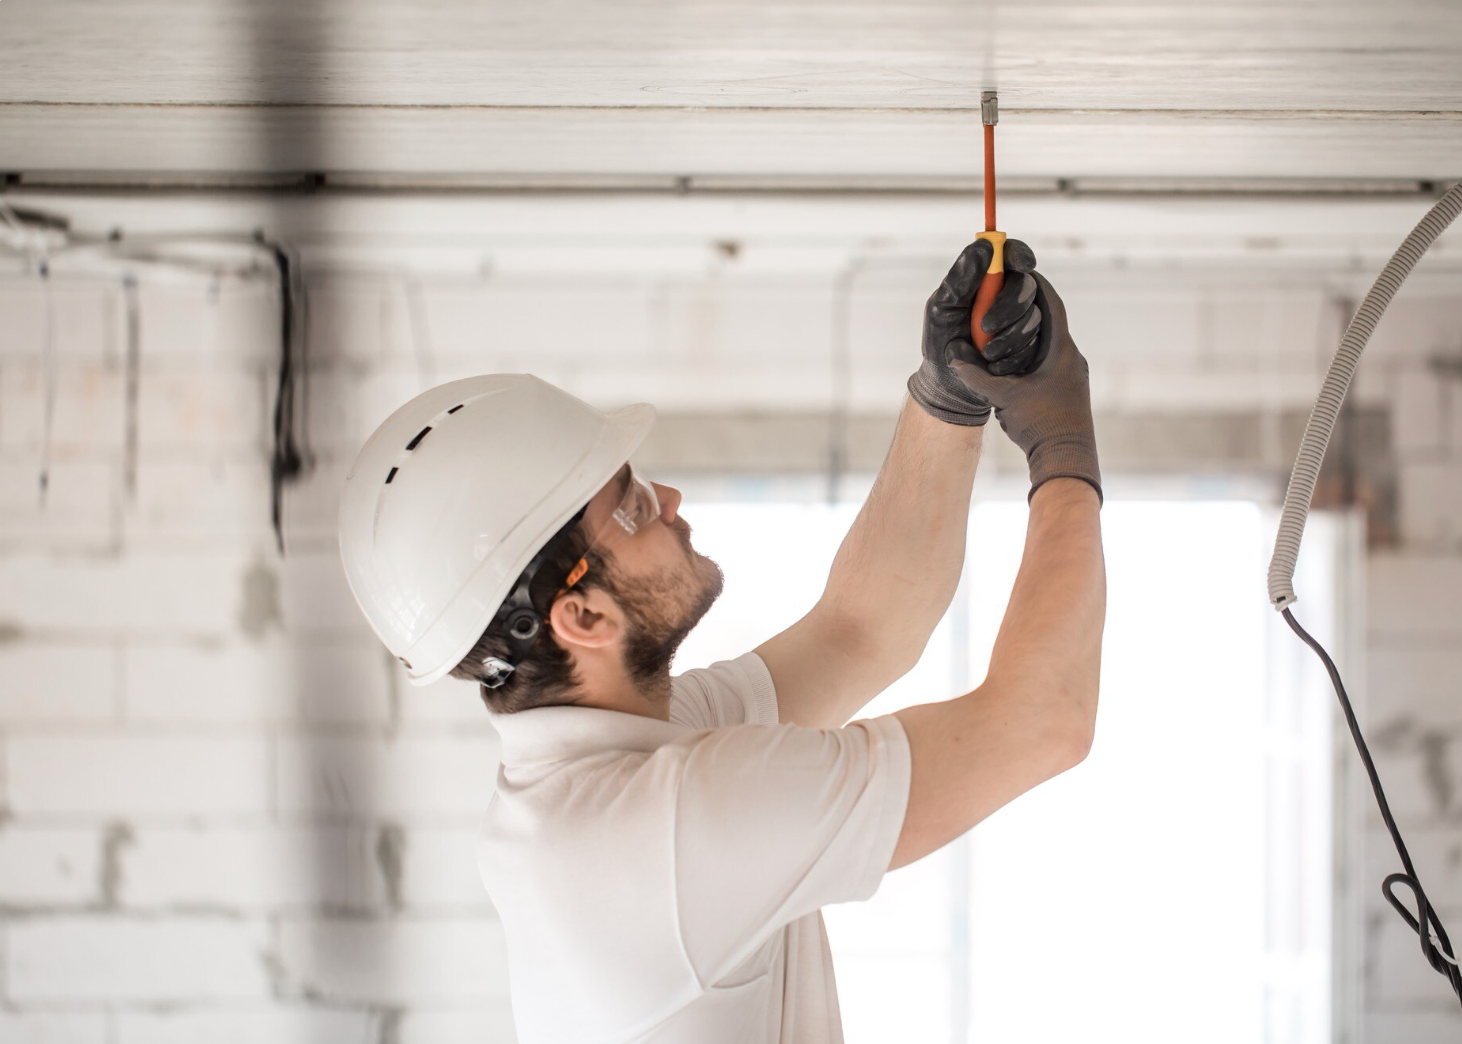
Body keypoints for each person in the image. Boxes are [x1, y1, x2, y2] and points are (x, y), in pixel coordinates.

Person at [337, 238, 1106, 1044]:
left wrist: (947, 394)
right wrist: (1064, 445)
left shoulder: (619, 763)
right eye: (630, 507)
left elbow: (862, 630)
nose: (667, 498)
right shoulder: (662, 827)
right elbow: (1043, 720)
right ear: (583, 618)